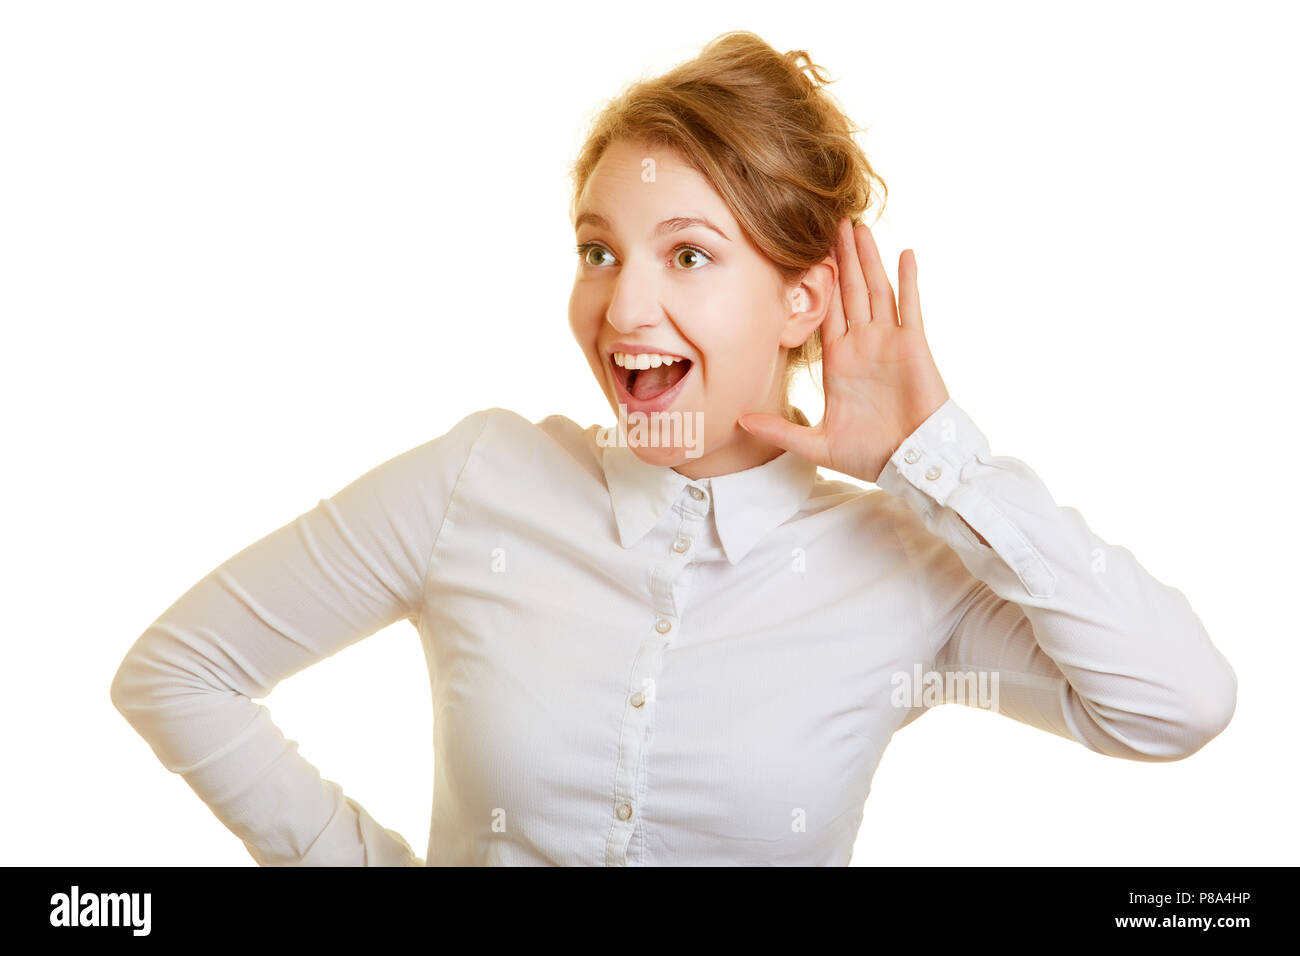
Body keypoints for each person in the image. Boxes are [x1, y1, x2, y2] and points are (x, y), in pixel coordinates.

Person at [110, 30, 1237, 866]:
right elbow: (179, 669)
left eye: (688, 255)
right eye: (597, 251)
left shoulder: (901, 562)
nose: (621, 306)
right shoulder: (480, 483)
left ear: (803, 301)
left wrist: (931, 456)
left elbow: (1177, 702)